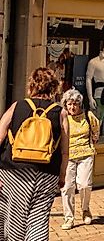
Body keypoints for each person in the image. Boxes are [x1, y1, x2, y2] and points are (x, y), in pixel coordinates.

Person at [0, 68, 69, 240]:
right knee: (39, 217)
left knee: (13, 215)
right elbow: (65, 150)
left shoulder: (17, 106)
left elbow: (0, 136)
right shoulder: (60, 112)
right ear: (54, 88)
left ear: (32, 85)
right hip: (47, 173)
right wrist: (62, 176)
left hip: (14, 171)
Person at [59, 89, 100, 230]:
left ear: (80, 104)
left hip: (86, 154)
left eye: (75, 104)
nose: (72, 107)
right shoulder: (63, 117)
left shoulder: (88, 116)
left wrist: (92, 143)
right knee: (67, 187)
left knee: (84, 184)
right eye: (69, 104)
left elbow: (95, 132)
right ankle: (69, 218)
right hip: (68, 156)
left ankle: (85, 209)